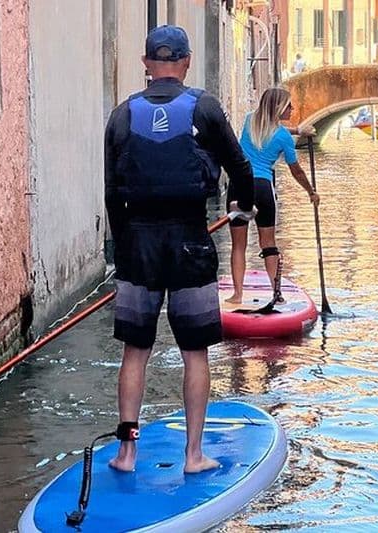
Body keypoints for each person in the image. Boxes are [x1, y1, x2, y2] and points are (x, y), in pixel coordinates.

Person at [104, 25, 255, 474]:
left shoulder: (121, 115)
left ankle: (127, 452)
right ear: (186, 62)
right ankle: (193, 455)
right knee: (195, 353)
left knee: (135, 352)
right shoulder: (205, 107)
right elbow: (241, 167)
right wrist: (240, 208)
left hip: (138, 246)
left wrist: (122, 250)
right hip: (191, 239)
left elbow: (113, 193)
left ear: (146, 65)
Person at [225, 87, 319, 305]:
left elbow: (267, 129)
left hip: (239, 185)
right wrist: (311, 191)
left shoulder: (250, 121)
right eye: (288, 106)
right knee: (268, 244)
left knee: (238, 245)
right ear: (278, 108)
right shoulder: (284, 137)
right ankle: (276, 294)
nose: (292, 109)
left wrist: (297, 130)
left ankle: (237, 294)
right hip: (262, 189)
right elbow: (296, 170)